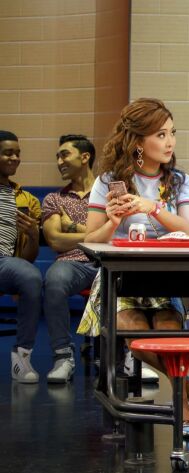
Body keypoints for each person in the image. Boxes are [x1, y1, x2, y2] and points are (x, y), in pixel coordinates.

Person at [81, 98, 189, 437]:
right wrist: (113, 221)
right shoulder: (108, 181)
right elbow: (91, 240)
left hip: (164, 277)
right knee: (137, 335)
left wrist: (151, 207)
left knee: (168, 334)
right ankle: (187, 388)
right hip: (119, 278)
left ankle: (181, 404)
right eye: (161, 134)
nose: (170, 142)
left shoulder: (181, 181)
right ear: (138, 142)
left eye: (172, 133)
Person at [40, 135, 97, 383]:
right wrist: (95, 233)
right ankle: (63, 356)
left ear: (85, 157)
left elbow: (115, 234)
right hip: (71, 263)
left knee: (126, 280)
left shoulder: (110, 192)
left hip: (107, 261)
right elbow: (54, 240)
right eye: (57, 157)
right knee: (54, 279)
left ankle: (124, 356)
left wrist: (71, 226)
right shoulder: (54, 199)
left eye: (64, 155)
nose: (59, 161)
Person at [0, 130, 43, 383]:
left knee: (31, 276)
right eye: (8, 152)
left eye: (18, 153)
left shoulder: (26, 200)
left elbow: (26, 260)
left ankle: (22, 357)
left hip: (5, 263)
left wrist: (33, 235)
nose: (15, 158)